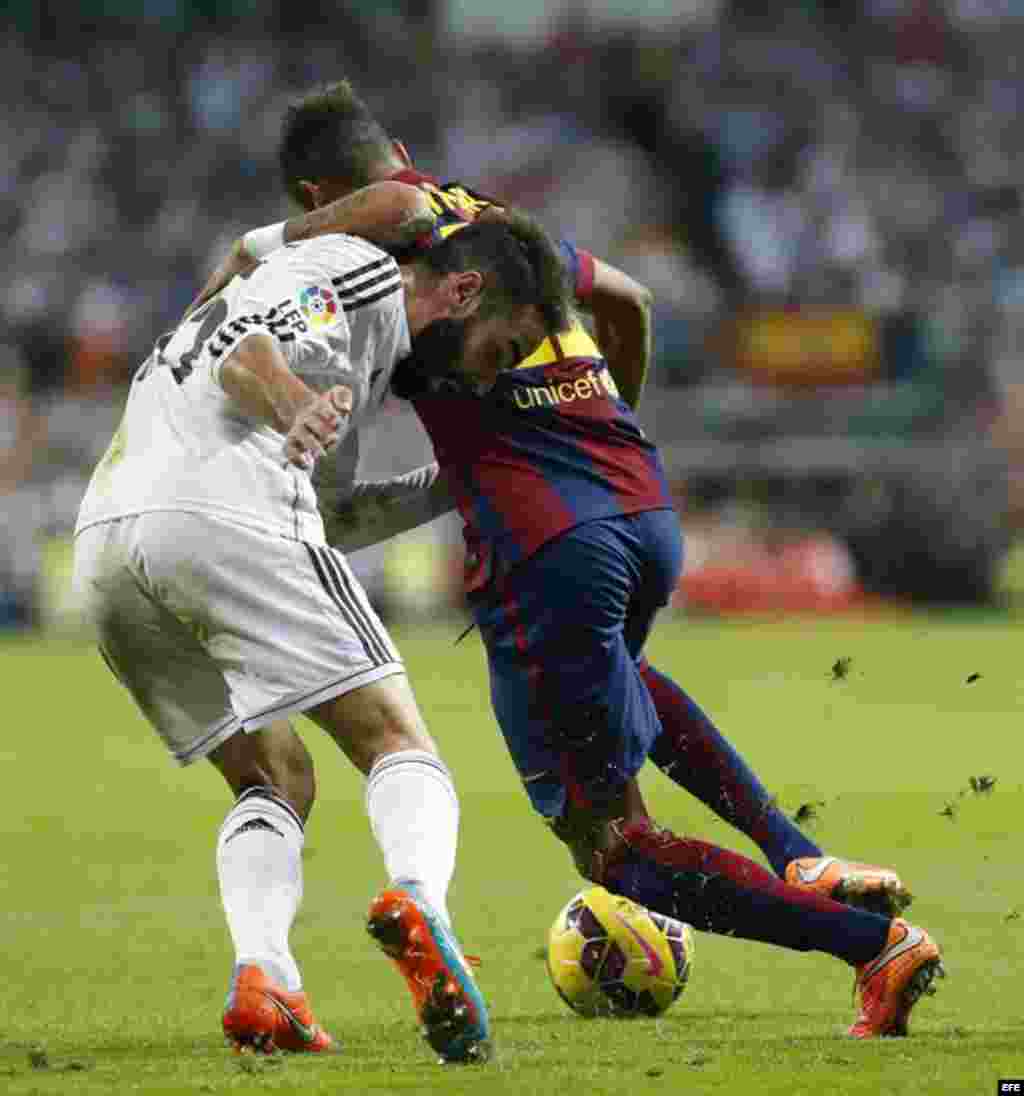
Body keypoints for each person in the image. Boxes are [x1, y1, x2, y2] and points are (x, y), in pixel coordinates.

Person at [193, 80, 944, 1037]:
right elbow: (628, 298)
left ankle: (870, 949)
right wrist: (610, 422)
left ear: (313, 195)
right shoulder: (495, 221)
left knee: (616, 851)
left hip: (547, 546)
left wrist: (252, 250)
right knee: (622, 683)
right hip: (640, 505)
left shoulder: (382, 231)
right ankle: (796, 853)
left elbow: (394, 206)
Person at [73, 216, 568, 1063]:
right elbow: (248, 356)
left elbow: (336, 515)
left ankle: (267, 981)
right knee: (396, 743)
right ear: (463, 292)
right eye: (504, 345)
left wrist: (464, 479)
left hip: (110, 549)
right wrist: (297, 404)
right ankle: (421, 903)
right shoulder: (361, 272)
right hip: (220, 513)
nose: (492, 371)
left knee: (276, 777)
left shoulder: (359, 356)